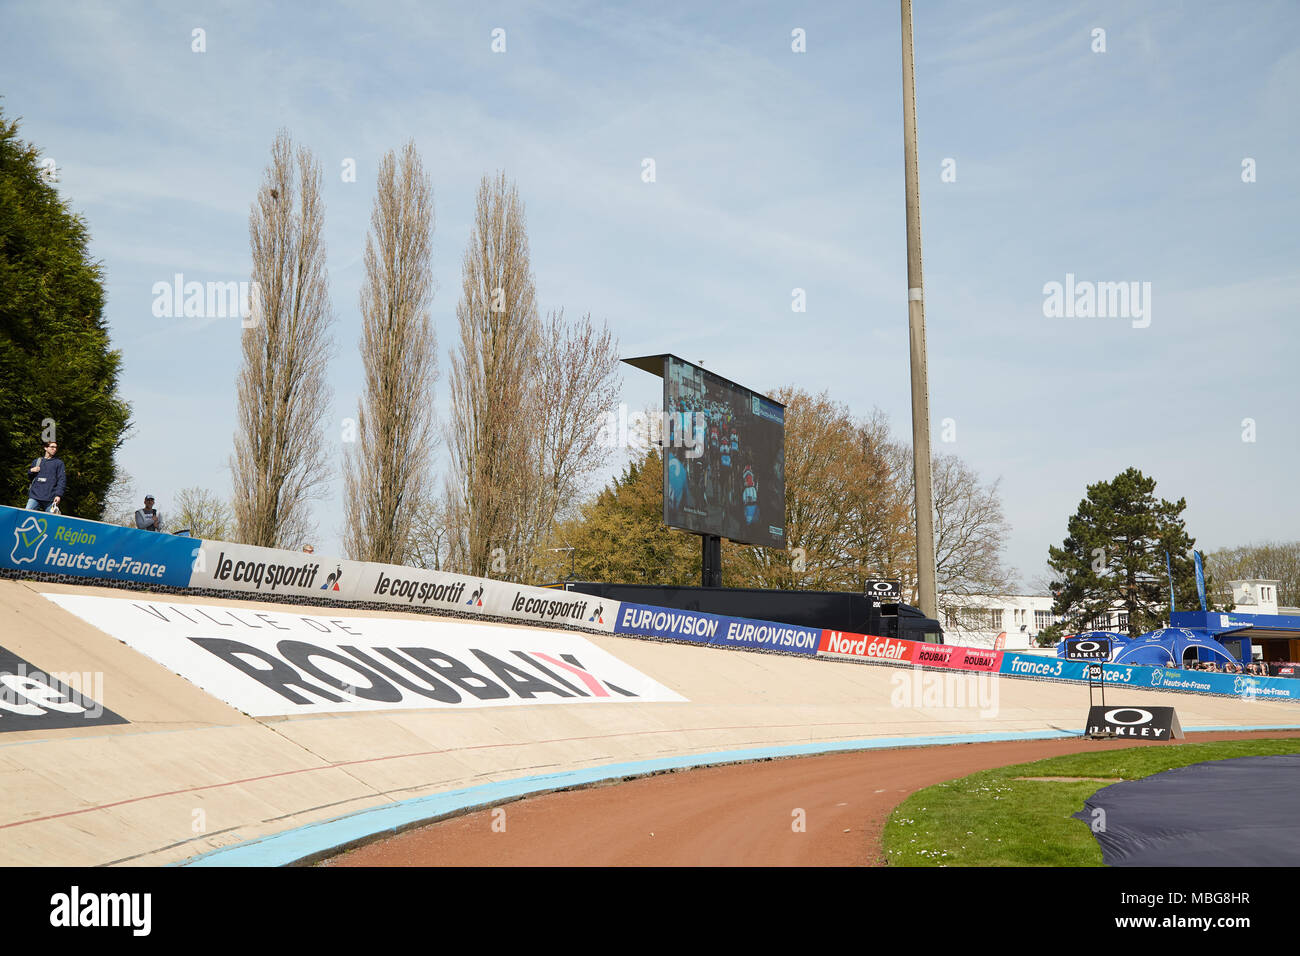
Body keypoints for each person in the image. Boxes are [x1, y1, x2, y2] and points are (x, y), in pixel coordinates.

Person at [26, 440, 66, 512]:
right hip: (34, 497)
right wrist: (31, 471)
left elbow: (62, 480)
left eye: (56, 447)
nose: (54, 449)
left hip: (50, 499)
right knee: (25, 515)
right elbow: (30, 478)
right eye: (52, 447)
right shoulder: (37, 461)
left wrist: (58, 495)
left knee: (52, 521)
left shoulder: (59, 463)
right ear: (45, 448)